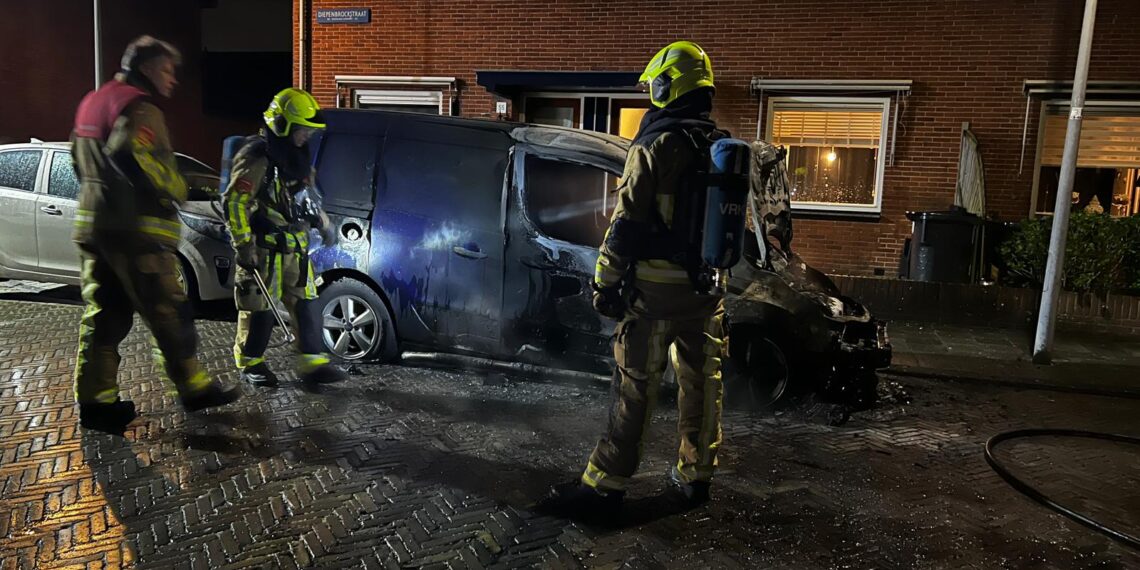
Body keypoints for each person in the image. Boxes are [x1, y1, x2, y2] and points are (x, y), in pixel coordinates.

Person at [539, 41, 730, 517]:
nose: (652, 95)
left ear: (671, 85)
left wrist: (604, 283)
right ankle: (696, 475)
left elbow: (626, 224)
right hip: (706, 292)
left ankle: (605, 484)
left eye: (657, 85)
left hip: (653, 294)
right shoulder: (721, 146)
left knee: (635, 386)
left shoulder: (656, 144)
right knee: (703, 384)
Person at [71, 35, 240, 434]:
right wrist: (175, 189)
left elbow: (81, 162)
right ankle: (193, 387)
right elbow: (133, 155)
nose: (173, 80)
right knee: (170, 310)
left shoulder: (93, 102)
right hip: (137, 234)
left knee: (105, 316)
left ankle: (97, 402)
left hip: (96, 227)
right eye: (167, 70)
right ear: (146, 68)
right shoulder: (140, 108)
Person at [224, 88, 347, 387]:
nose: (306, 135)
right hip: (265, 252)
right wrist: (244, 245)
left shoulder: (298, 160)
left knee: (306, 307)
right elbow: (236, 204)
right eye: (302, 129)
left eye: (309, 130)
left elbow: (306, 199)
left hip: (295, 252)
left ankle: (312, 364)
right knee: (259, 313)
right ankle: (251, 362)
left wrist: (323, 223)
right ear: (282, 125)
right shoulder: (257, 158)